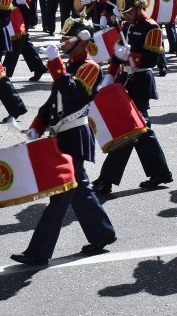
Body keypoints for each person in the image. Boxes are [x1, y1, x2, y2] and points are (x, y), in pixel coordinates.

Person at [11, 17, 116, 266]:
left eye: (67, 39)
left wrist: (55, 63)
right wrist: (37, 126)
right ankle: (102, 233)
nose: (62, 43)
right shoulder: (69, 66)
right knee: (78, 189)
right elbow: (53, 103)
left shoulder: (91, 68)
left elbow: (71, 94)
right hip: (60, 135)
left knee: (61, 194)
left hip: (75, 136)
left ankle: (38, 252)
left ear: (83, 40)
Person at [91, 0, 173, 197]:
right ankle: (160, 171)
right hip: (124, 78)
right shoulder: (127, 26)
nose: (125, 15)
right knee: (141, 129)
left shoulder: (152, 28)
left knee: (129, 129)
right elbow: (117, 55)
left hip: (141, 80)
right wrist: (110, 74)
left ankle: (106, 179)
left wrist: (130, 56)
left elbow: (151, 60)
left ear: (138, 7)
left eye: (127, 11)